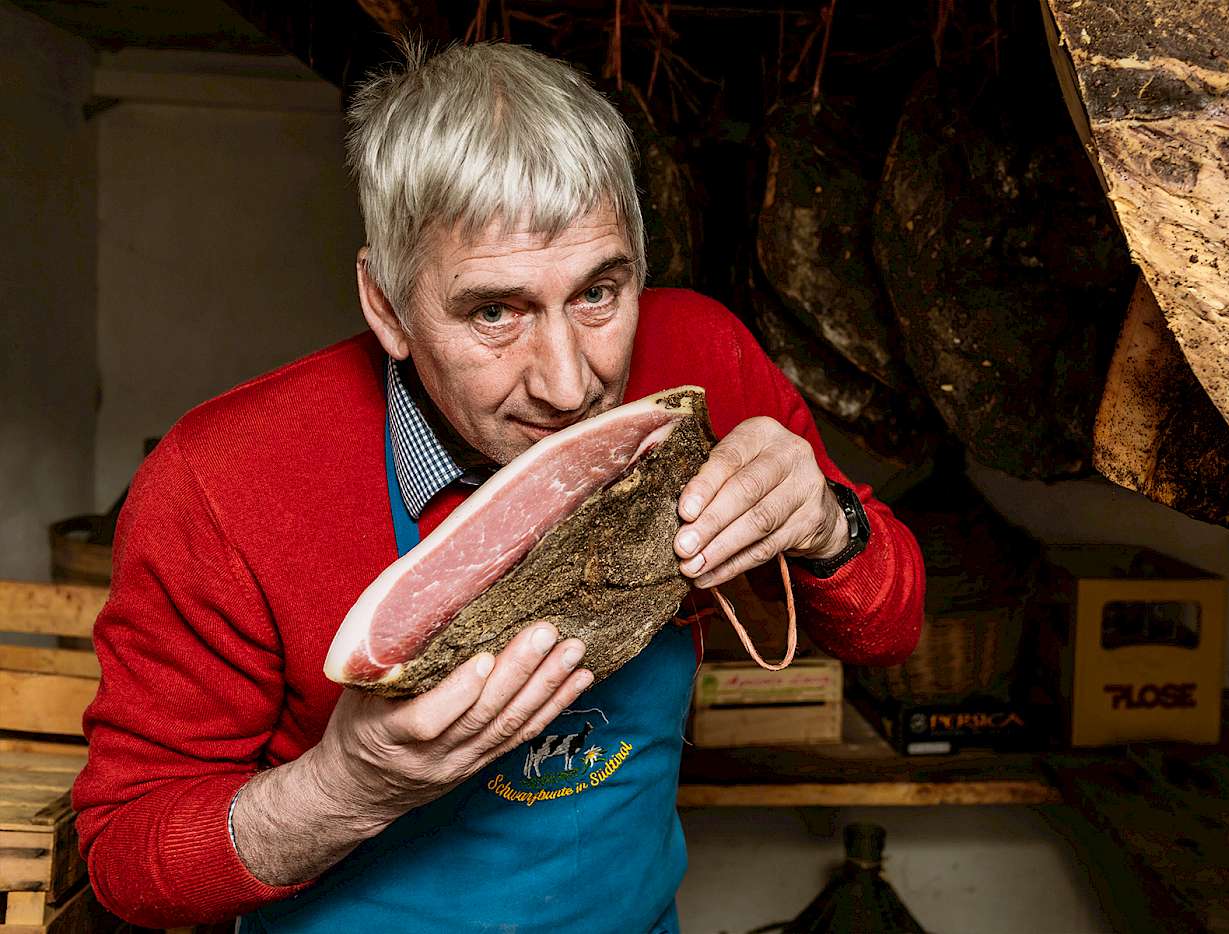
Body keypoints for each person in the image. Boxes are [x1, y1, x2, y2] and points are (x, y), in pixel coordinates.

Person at [72, 42, 924, 932]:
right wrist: (348, 789)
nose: (567, 382)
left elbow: (893, 628)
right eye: (493, 311)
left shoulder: (701, 360)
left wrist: (830, 527)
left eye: (599, 292)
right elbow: (128, 859)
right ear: (388, 307)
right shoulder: (222, 477)